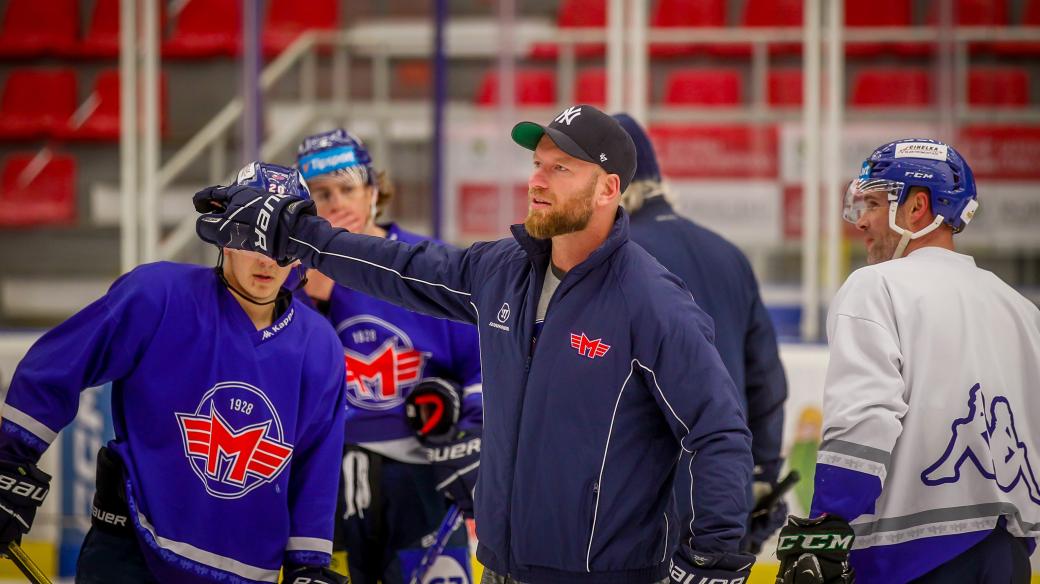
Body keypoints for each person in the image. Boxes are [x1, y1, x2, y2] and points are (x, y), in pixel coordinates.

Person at [194, 104, 756, 584]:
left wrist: (714, 553)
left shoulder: (651, 301)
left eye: (561, 169)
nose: (537, 180)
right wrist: (301, 235)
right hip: (503, 568)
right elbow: (401, 266)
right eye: (537, 165)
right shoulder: (505, 271)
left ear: (608, 188)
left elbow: (717, 431)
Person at [0, 162, 348, 584]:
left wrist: (308, 565)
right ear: (224, 232)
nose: (268, 258)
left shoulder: (320, 346)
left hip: (246, 574)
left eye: (283, 240)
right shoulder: (158, 295)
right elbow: (59, 364)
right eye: (252, 235)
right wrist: (9, 459)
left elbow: (317, 464)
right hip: (131, 558)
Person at [775, 139, 1039, 584]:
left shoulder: (876, 287)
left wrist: (828, 521)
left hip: (909, 557)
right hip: (1009, 554)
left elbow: (865, 415)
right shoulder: (1022, 309)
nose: (861, 221)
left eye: (874, 203)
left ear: (918, 207)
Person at [294, 129, 482, 584]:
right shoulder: (287, 279)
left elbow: (481, 363)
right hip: (327, 479)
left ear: (373, 191)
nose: (336, 203)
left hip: (425, 476)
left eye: (347, 189)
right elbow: (279, 380)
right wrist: (309, 303)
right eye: (321, 194)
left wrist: (473, 433)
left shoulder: (427, 265)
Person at [612, 113, 789, 554]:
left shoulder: (615, 259)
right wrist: (761, 477)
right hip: (721, 498)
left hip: (638, 509)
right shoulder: (728, 254)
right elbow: (765, 384)